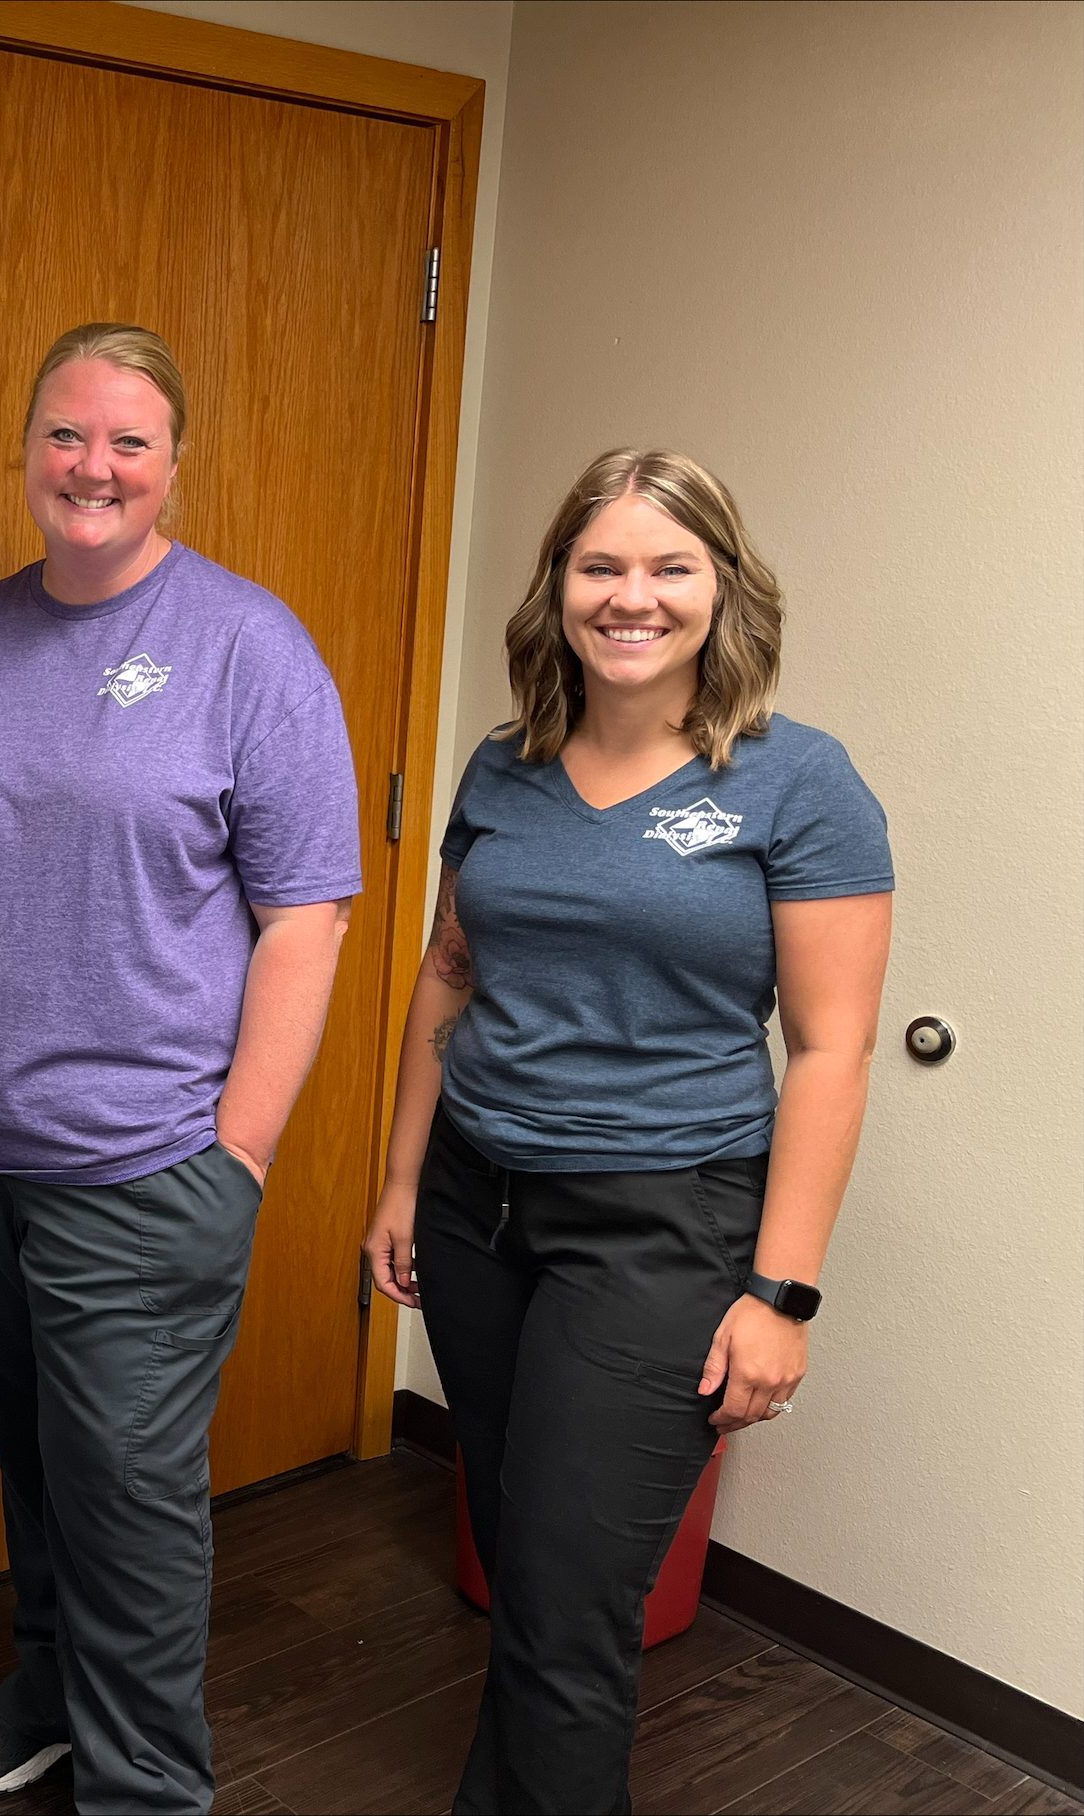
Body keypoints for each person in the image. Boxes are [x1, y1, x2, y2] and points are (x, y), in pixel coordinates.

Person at [0, 323, 361, 1813]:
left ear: (174, 468)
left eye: (128, 442)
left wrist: (243, 1147)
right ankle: (51, 1684)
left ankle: (147, 1787)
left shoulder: (246, 647)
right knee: (35, 1452)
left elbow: (306, 918)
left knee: (129, 1504)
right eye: (67, 436)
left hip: (139, 1170)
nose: (94, 468)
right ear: (24, 456)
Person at [362, 449, 892, 1813]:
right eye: (601, 565)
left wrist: (780, 1293)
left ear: (724, 589)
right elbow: (450, 974)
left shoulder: (796, 782)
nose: (632, 596)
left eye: (670, 567)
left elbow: (831, 1052)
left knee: (567, 1607)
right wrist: (401, 1181)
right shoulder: (506, 766)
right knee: (522, 1565)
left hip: (662, 1221)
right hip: (478, 1209)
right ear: (560, 587)